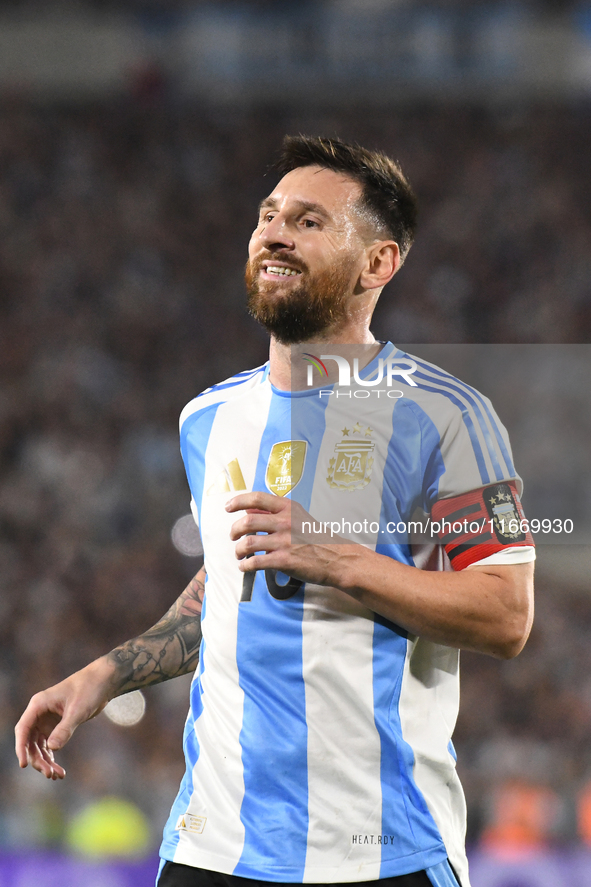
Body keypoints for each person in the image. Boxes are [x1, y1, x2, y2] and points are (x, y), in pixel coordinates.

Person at [15, 136, 535, 887]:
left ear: (378, 262)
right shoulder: (208, 416)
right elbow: (228, 589)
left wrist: (339, 558)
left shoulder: (445, 416)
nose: (276, 231)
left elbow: (505, 614)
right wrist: (105, 674)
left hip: (379, 850)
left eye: (310, 220)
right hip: (212, 846)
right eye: (268, 215)